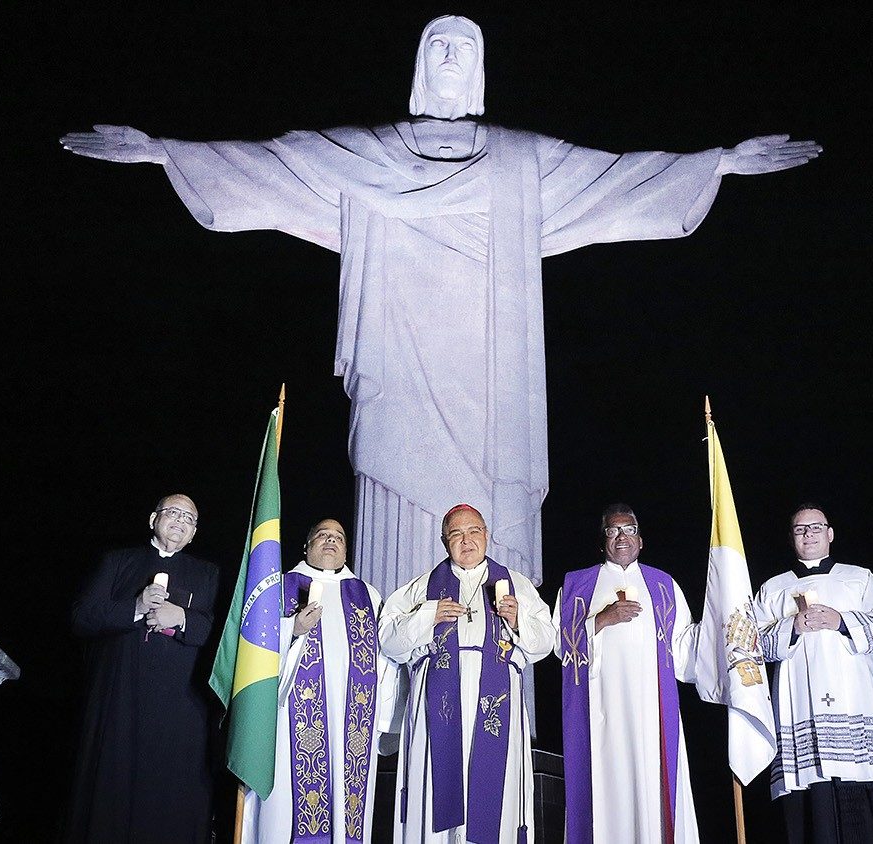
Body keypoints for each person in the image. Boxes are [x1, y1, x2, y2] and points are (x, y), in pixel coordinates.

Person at [59, 15, 821, 603]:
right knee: (396, 515)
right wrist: (167, 152)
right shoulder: (370, 153)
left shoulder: (522, 160)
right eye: (439, 45)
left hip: (491, 384)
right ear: (421, 67)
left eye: (465, 46)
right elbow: (272, 163)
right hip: (400, 370)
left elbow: (616, 180)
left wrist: (715, 162)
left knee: (494, 531)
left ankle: (496, 686)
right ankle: (388, 685)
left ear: (481, 70)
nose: (452, 57)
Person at [378, 504, 554, 843]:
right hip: (437, 707)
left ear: (486, 536)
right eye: (456, 534)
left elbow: (546, 642)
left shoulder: (516, 585)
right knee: (435, 794)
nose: (466, 540)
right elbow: (389, 641)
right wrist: (427, 615)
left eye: (473, 531)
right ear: (445, 542)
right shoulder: (422, 587)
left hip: (496, 703)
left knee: (491, 797)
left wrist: (519, 621)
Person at [752, 505, 873, 843]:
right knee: (815, 810)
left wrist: (842, 621)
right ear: (791, 538)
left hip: (859, 705)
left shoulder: (859, 578)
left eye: (815, 527)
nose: (808, 534)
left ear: (830, 534)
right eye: (800, 530)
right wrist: (791, 627)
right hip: (801, 709)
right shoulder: (773, 588)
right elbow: (752, 646)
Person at [66, 494, 222, 843]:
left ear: (194, 533)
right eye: (173, 513)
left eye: (189, 518)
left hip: (180, 709)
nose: (180, 521)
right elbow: (82, 617)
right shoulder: (117, 562)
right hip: (117, 699)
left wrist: (182, 618)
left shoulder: (208, 574)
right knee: (109, 797)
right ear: (154, 518)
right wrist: (134, 607)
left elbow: (218, 632)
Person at [553, 504, 703, 843]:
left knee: (654, 792)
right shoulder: (577, 585)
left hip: (652, 716)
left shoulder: (663, 585)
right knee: (606, 796)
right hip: (601, 716)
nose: (622, 536)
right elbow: (557, 647)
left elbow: (683, 649)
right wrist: (602, 619)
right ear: (602, 539)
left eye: (629, 529)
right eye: (612, 530)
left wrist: (715, 630)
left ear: (641, 539)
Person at [240, 519, 394, 843]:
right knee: (284, 810)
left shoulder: (368, 595)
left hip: (352, 729)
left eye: (338, 537)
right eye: (322, 535)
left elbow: (387, 663)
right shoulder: (281, 586)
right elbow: (252, 647)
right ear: (306, 546)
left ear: (346, 550)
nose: (331, 541)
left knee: (345, 808)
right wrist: (291, 629)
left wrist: (381, 720)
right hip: (287, 723)